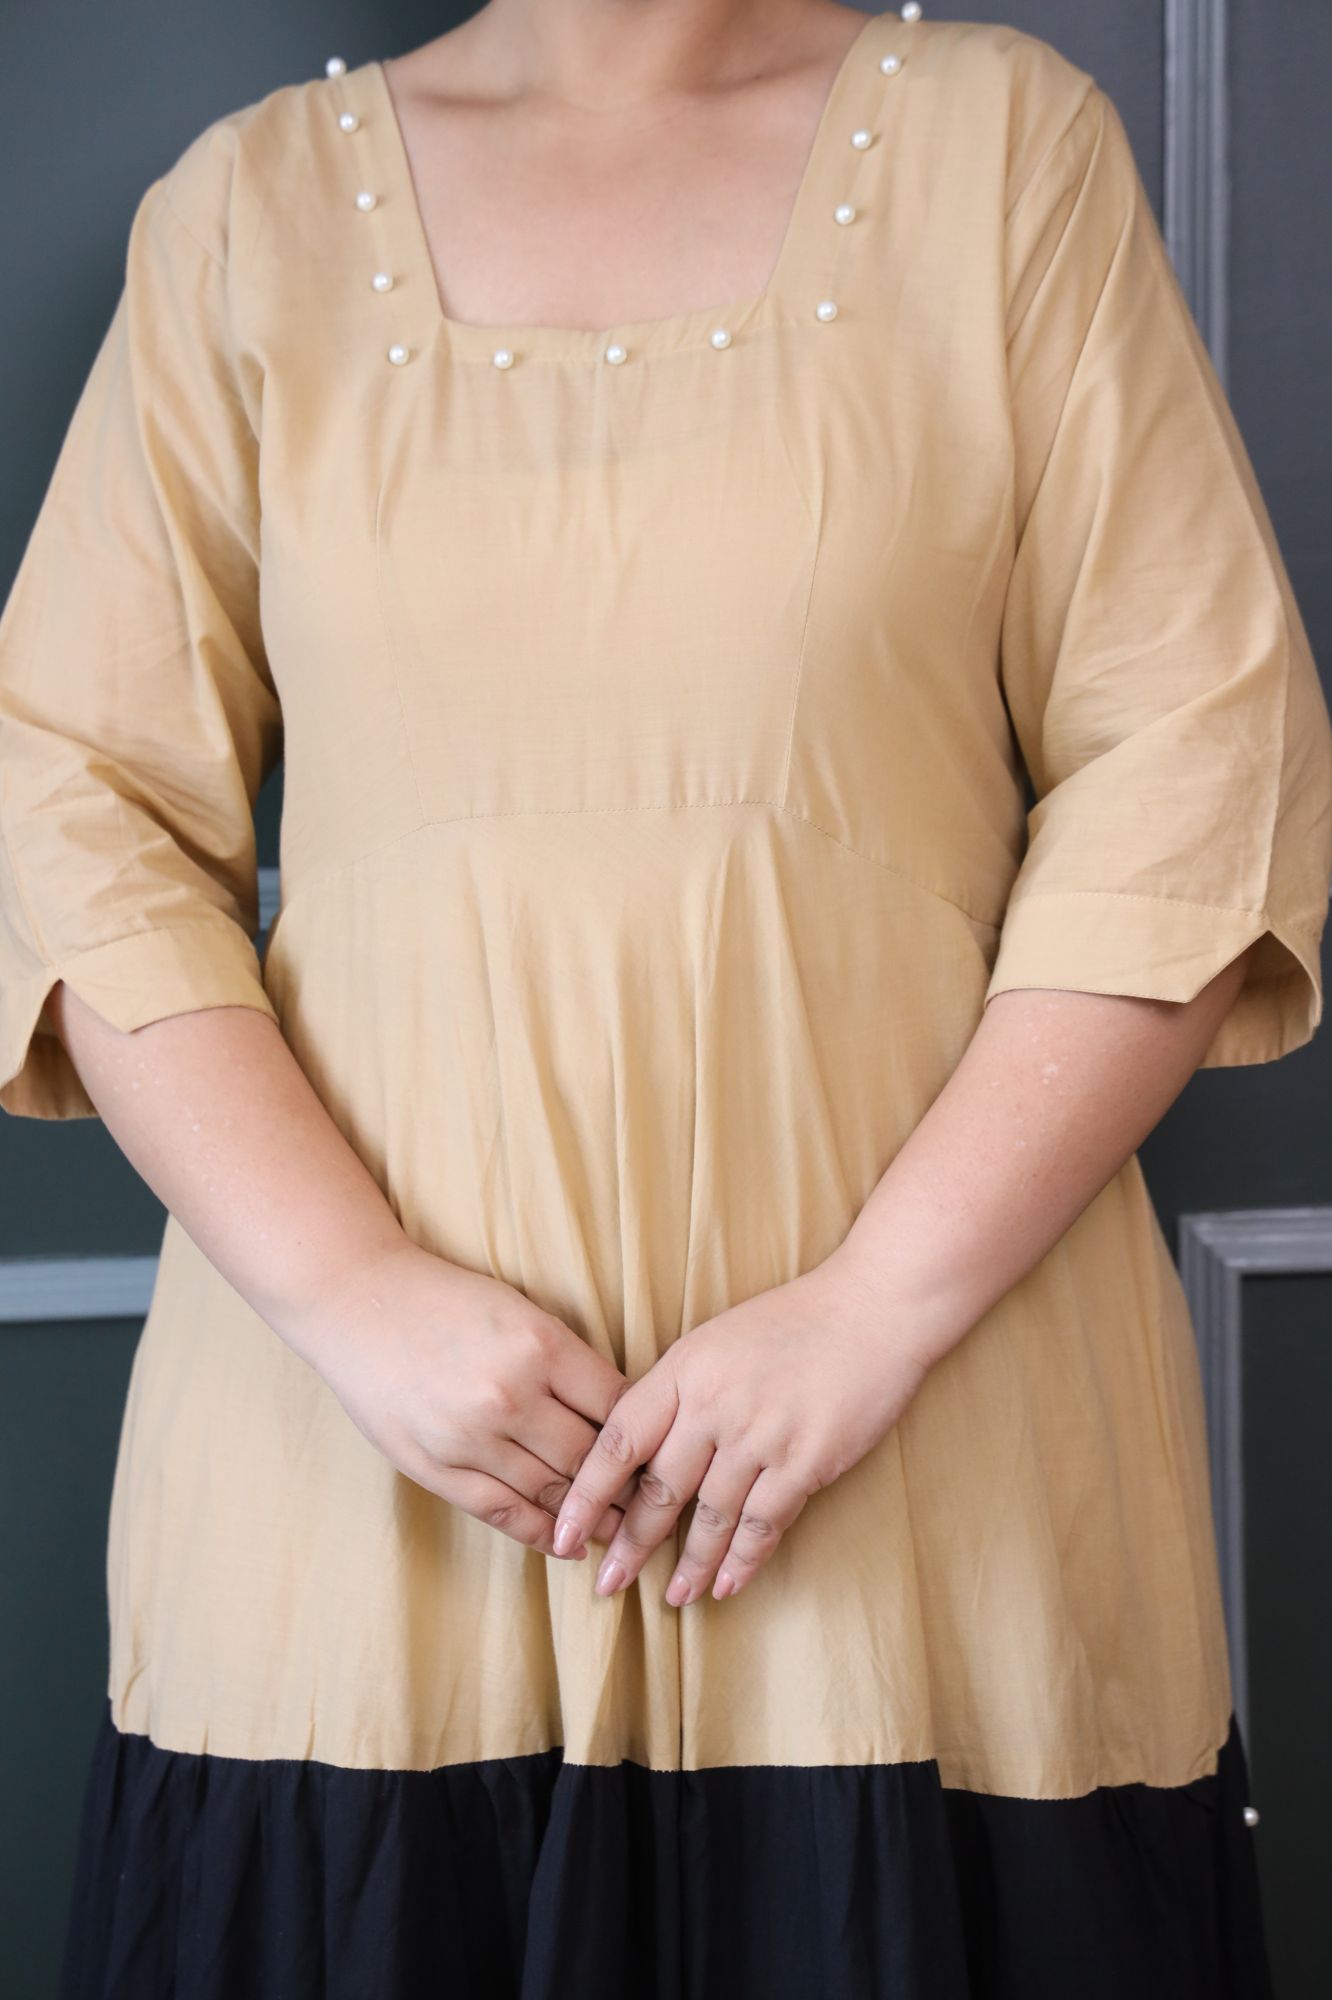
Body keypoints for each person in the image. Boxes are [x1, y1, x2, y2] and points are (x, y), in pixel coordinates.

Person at [2, 2, 1328, 1993]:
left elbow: (1200, 767)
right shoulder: (243, 215)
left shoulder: (1005, 153)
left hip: (926, 1468)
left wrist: (877, 1309)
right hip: (358, 1492)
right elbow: (67, 805)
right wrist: (347, 1290)